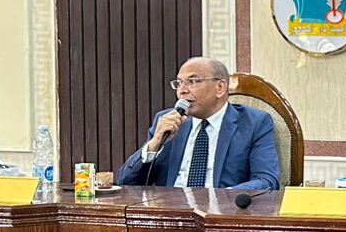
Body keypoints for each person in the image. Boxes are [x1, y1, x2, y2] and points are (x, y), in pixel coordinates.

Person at [116, 57, 280, 192]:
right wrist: (154, 144)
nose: (182, 90)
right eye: (179, 83)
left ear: (220, 87)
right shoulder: (168, 121)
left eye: (192, 81)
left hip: (221, 213)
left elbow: (267, 181)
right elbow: (125, 182)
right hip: (171, 213)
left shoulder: (254, 123)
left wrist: (223, 198)